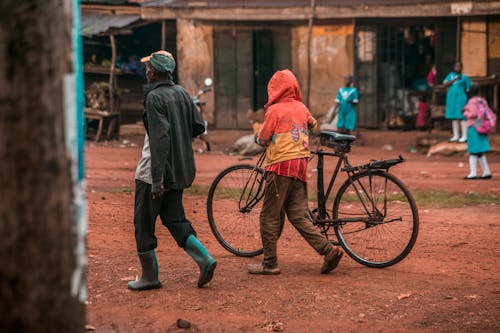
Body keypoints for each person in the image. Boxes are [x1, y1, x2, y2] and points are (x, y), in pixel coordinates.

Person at [128, 50, 217, 291]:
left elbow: (159, 139)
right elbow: (198, 126)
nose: (146, 71)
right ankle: (205, 259)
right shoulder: (182, 93)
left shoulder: (154, 98)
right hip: (179, 171)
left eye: (148, 68)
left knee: (143, 223)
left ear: (155, 72)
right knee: (174, 218)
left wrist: (157, 181)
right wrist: (181, 138)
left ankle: (149, 277)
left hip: (153, 173)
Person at [248, 69, 343, 275]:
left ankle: (270, 263)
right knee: (299, 215)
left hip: (280, 166)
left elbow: (263, 138)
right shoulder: (300, 107)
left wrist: (260, 139)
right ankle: (328, 250)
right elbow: (313, 124)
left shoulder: (274, 111)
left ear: (274, 90)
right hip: (300, 164)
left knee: (269, 216)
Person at [462, 83, 492, 180]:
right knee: (479, 151)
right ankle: (486, 172)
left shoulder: (471, 101)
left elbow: (473, 114)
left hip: (473, 126)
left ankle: (473, 173)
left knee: (473, 151)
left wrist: (465, 112)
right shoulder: (482, 100)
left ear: (470, 93)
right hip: (481, 126)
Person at [443, 61, 471, 143]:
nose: (457, 67)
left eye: (459, 66)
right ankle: (456, 136)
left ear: (462, 68)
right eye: (456, 66)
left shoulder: (465, 78)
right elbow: (445, 85)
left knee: (462, 116)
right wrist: (455, 79)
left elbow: (468, 89)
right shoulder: (450, 75)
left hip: (461, 99)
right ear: (453, 67)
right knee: (453, 117)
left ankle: (464, 136)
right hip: (451, 99)